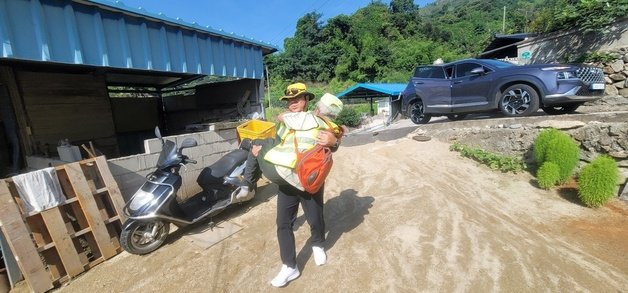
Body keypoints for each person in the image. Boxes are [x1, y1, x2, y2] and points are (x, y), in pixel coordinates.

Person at [237, 83, 342, 287]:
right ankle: (289, 266)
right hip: (287, 179)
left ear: (306, 100)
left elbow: (335, 140)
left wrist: (333, 142)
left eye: (297, 99)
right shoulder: (283, 123)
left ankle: (318, 244)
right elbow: (276, 143)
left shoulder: (317, 119)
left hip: (309, 177)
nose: (293, 103)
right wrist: (261, 151)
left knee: (315, 217)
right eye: (289, 100)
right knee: (283, 223)